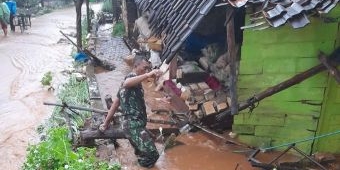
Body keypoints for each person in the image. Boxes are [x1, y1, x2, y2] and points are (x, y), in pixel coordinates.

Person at [100, 57, 163, 168]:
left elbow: (115, 105)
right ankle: (141, 166)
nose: (146, 71)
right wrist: (148, 75)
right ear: (135, 66)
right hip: (133, 125)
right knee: (153, 155)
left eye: (148, 69)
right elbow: (127, 83)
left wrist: (106, 123)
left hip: (134, 125)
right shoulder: (130, 78)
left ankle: (137, 164)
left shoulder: (132, 84)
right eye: (144, 68)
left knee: (142, 153)